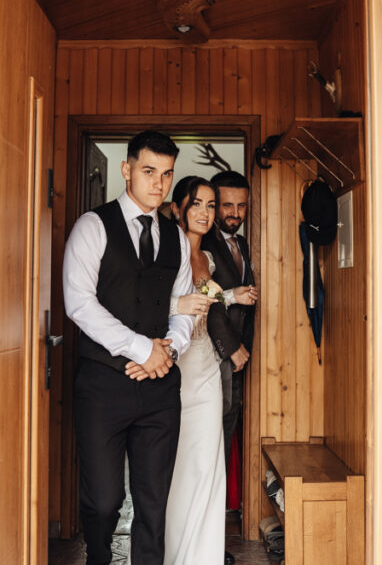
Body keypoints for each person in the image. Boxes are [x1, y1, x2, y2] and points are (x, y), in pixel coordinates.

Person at [63, 130, 195, 565]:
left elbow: (182, 306)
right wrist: (142, 349)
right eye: (149, 171)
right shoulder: (93, 226)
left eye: (167, 174)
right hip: (103, 385)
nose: (159, 183)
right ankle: (98, 558)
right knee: (103, 501)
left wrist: (168, 351)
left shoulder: (176, 237)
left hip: (160, 388)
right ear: (127, 169)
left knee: (153, 505)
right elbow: (79, 303)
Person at [163, 176, 256, 564]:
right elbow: (153, 304)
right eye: (197, 204)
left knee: (210, 459)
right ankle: (176, 551)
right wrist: (180, 307)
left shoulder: (208, 257)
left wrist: (229, 295)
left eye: (210, 205)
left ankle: (205, 553)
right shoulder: (167, 252)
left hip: (207, 366)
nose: (205, 212)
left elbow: (210, 301)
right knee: (183, 461)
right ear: (177, 209)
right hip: (179, 364)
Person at [203, 170, 256, 463]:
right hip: (214, 352)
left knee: (226, 430)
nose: (235, 213)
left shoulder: (243, 244)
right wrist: (232, 347)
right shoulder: (202, 243)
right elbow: (206, 302)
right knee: (210, 435)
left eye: (242, 205)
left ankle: (220, 491)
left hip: (239, 357)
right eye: (227, 205)